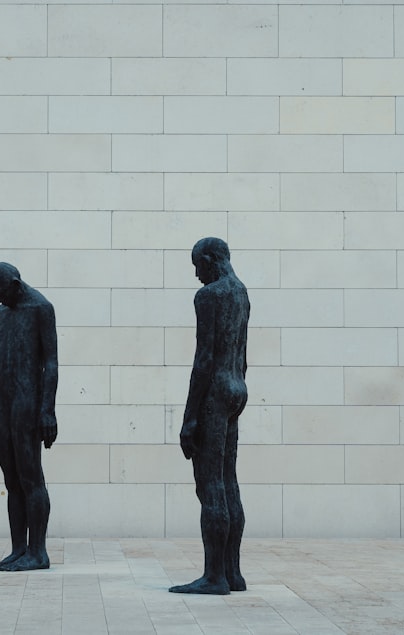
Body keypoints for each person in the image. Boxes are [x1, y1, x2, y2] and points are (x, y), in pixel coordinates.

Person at [171, 237, 250, 595]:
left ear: (208, 259)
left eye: (196, 266)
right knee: (228, 479)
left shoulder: (210, 296)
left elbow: (203, 359)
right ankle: (232, 573)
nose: (196, 274)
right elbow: (242, 353)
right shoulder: (241, 292)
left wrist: (190, 417)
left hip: (215, 391)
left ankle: (214, 576)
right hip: (236, 387)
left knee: (210, 484)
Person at [0, 262, 59, 572]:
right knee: (11, 479)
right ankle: (18, 549)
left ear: (15, 284)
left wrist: (47, 410)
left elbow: (52, 363)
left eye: (0, 293)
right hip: (4, 403)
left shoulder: (41, 308)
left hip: (28, 403)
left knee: (30, 477)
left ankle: (38, 551)